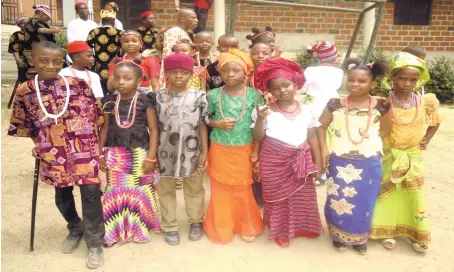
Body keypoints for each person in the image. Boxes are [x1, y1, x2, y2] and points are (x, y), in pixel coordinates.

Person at [8, 41, 104, 268]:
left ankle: (94, 242)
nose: (51, 65)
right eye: (43, 61)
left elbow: (97, 116)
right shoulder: (25, 91)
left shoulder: (78, 84)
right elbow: (25, 125)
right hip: (53, 152)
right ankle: (75, 227)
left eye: (57, 61)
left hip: (84, 150)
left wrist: (98, 147)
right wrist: (38, 145)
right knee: (62, 196)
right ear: (32, 62)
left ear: (64, 62)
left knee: (91, 193)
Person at [318, 59, 392, 255]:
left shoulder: (382, 105)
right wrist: (324, 149)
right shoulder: (335, 104)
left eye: (361, 81)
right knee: (338, 198)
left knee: (364, 201)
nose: (355, 85)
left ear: (373, 83)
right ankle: (338, 235)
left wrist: (368, 144)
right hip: (339, 161)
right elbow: (321, 127)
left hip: (369, 163)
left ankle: (360, 237)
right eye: (351, 80)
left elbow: (385, 129)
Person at [370, 52, 441, 253]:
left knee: (413, 193)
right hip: (389, 155)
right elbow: (376, 127)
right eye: (402, 78)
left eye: (412, 79)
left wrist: (426, 138)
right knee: (387, 193)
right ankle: (387, 231)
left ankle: (415, 232)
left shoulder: (425, 101)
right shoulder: (384, 102)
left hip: (412, 155)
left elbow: (435, 122)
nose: (407, 83)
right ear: (392, 77)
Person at [252, 58, 323, 248]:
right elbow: (257, 137)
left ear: (295, 84)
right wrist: (260, 119)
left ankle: (303, 227)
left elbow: (313, 137)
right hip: (273, 161)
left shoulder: (307, 110)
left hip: (301, 160)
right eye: (275, 88)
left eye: (286, 85)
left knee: (303, 195)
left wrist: (317, 162)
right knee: (277, 198)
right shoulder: (265, 111)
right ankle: (280, 231)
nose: (282, 90)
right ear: (270, 91)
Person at [204, 49, 265, 244]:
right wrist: (216, 123)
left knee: (242, 187)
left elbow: (260, 124)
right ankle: (222, 226)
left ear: (245, 73)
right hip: (220, 148)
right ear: (220, 73)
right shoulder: (213, 95)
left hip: (244, 148)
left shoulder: (255, 96)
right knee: (221, 187)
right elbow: (204, 118)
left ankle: (246, 224)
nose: (230, 74)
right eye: (226, 71)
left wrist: (256, 150)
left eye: (236, 70)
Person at [99, 61, 161, 247]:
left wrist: (151, 156)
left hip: (139, 154)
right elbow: (104, 128)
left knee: (137, 189)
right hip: (115, 154)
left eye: (127, 78)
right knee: (115, 189)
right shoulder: (109, 101)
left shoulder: (146, 100)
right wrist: (100, 153)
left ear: (139, 80)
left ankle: (137, 227)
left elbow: (154, 129)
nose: (121, 82)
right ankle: (114, 229)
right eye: (117, 78)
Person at [156, 53, 208, 245]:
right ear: (166, 74)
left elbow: (203, 124)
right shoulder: (158, 96)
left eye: (183, 72)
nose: (178, 76)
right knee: (165, 188)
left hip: (192, 151)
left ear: (191, 74)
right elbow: (153, 126)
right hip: (164, 151)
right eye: (173, 72)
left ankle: (196, 221)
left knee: (194, 187)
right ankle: (169, 226)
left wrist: (205, 152)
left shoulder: (198, 96)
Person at [302, 41, 344, 185]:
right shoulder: (339, 72)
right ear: (335, 58)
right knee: (328, 139)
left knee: (313, 139)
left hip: (313, 106)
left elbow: (302, 87)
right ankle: (328, 170)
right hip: (331, 105)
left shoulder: (310, 71)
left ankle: (317, 169)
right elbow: (337, 86)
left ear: (318, 58)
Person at [247, 42, 273, 206]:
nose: (260, 56)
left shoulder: (275, 74)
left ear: (271, 55)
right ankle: (256, 193)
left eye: (265, 53)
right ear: (250, 55)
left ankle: (268, 193)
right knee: (254, 157)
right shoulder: (247, 75)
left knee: (268, 156)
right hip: (251, 119)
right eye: (256, 53)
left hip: (271, 117)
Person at [86, 10, 124, 95]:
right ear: (114, 22)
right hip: (114, 64)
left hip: (98, 64)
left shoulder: (94, 31)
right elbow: (123, 48)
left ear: (102, 22)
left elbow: (87, 46)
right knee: (113, 85)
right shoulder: (120, 33)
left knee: (99, 86)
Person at [160, 8, 198, 87]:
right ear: (182, 19)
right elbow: (168, 56)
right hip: (175, 77)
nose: (196, 20)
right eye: (193, 17)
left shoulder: (183, 32)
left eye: (196, 18)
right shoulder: (174, 32)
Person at [23, 4, 60, 78]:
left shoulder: (32, 22)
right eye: (47, 18)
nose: (48, 20)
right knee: (37, 73)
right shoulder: (35, 21)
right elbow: (40, 30)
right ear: (41, 13)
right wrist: (54, 30)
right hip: (37, 51)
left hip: (38, 51)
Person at [7, 16, 29, 109]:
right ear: (19, 25)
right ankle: (22, 101)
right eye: (23, 23)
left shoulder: (34, 34)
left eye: (28, 22)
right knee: (24, 79)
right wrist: (19, 61)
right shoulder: (16, 35)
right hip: (23, 61)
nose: (26, 24)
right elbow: (14, 49)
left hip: (36, 61)